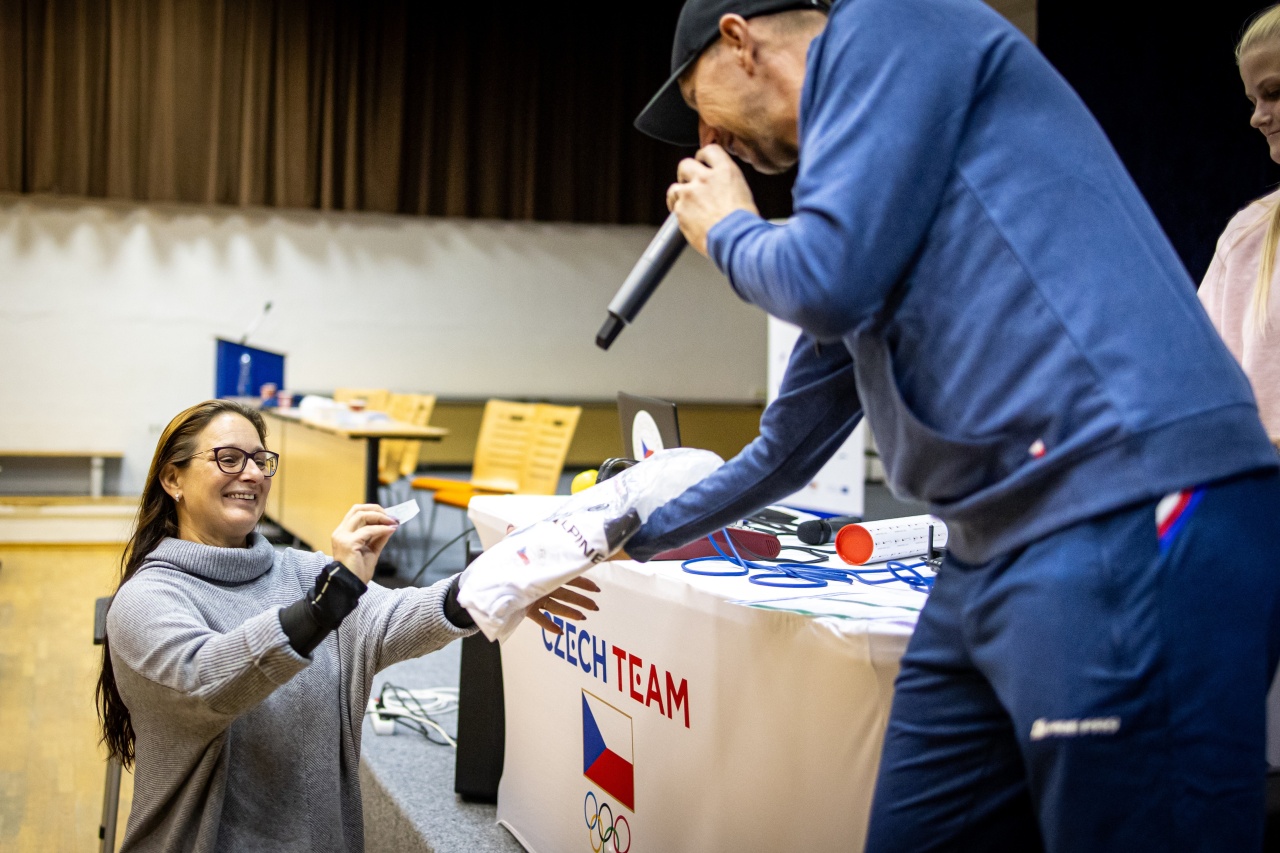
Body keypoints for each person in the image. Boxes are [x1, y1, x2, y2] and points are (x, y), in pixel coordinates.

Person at [624, 0, 1280, 848]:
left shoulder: (890, 24)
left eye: (698, 102)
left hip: (1125, 500)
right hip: (992, 544)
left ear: (738, 40)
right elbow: (787, 448)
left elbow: (822, 282)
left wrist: (729, 230)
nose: (706, 139)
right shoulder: (865, 200)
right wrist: (624, 533)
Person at [96, 399, 596, 852]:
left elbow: (390, 619)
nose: (251, 474)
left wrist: (487, 585)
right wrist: (325, 604)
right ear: (173, 480)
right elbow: (207, 680)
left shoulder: (303, 573)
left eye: (260, 460)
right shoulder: (146, 599)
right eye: (229, 458)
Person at [1201, 5, 1280, 448]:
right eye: (1253, 101)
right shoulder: (1246, 237)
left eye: (1275, 93)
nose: (1258, 117)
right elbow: (1198, 384)